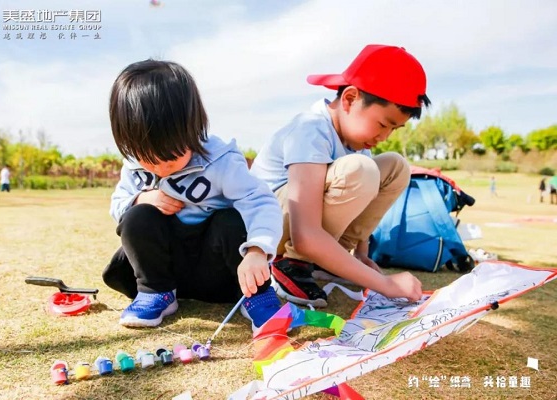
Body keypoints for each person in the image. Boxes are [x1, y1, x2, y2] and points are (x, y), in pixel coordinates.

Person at [103, 60, 283, 330]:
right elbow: (117, 205)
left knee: (230, 220)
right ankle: (156, 293)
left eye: (170, 157)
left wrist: (257, 251)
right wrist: (141, 198)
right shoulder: (133, 167)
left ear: (192, 129)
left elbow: (260, 202)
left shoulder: (221, 161)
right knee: (136, 216)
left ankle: (256, 295)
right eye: (147, 159)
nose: (160, 168)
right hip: (170, 270)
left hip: (219, 271)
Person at [251, 44, 426, 307]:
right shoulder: (310, 129)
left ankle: (332, 259)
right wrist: (386, 285)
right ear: (350, 99)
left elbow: (363, 198)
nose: (384, 137)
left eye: (394, 129)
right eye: (382, 124)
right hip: (265, 228)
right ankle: (292, 264)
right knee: (361, 169)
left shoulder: (355, 141)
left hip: (298, 223)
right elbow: (305, 233)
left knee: (396, 167)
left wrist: (362, 253)